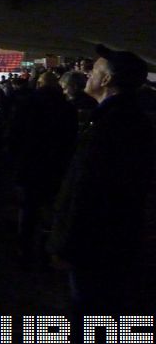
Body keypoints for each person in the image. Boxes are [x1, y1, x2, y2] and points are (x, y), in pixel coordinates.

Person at [50, 45, 154, 320]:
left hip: (95, 245)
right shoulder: (123, 119)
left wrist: (66, 244)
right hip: (108, 241)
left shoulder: (112, 125)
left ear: (106, 80)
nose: (87, 75)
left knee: (90, 310)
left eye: (93, 71)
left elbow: (89, 191)